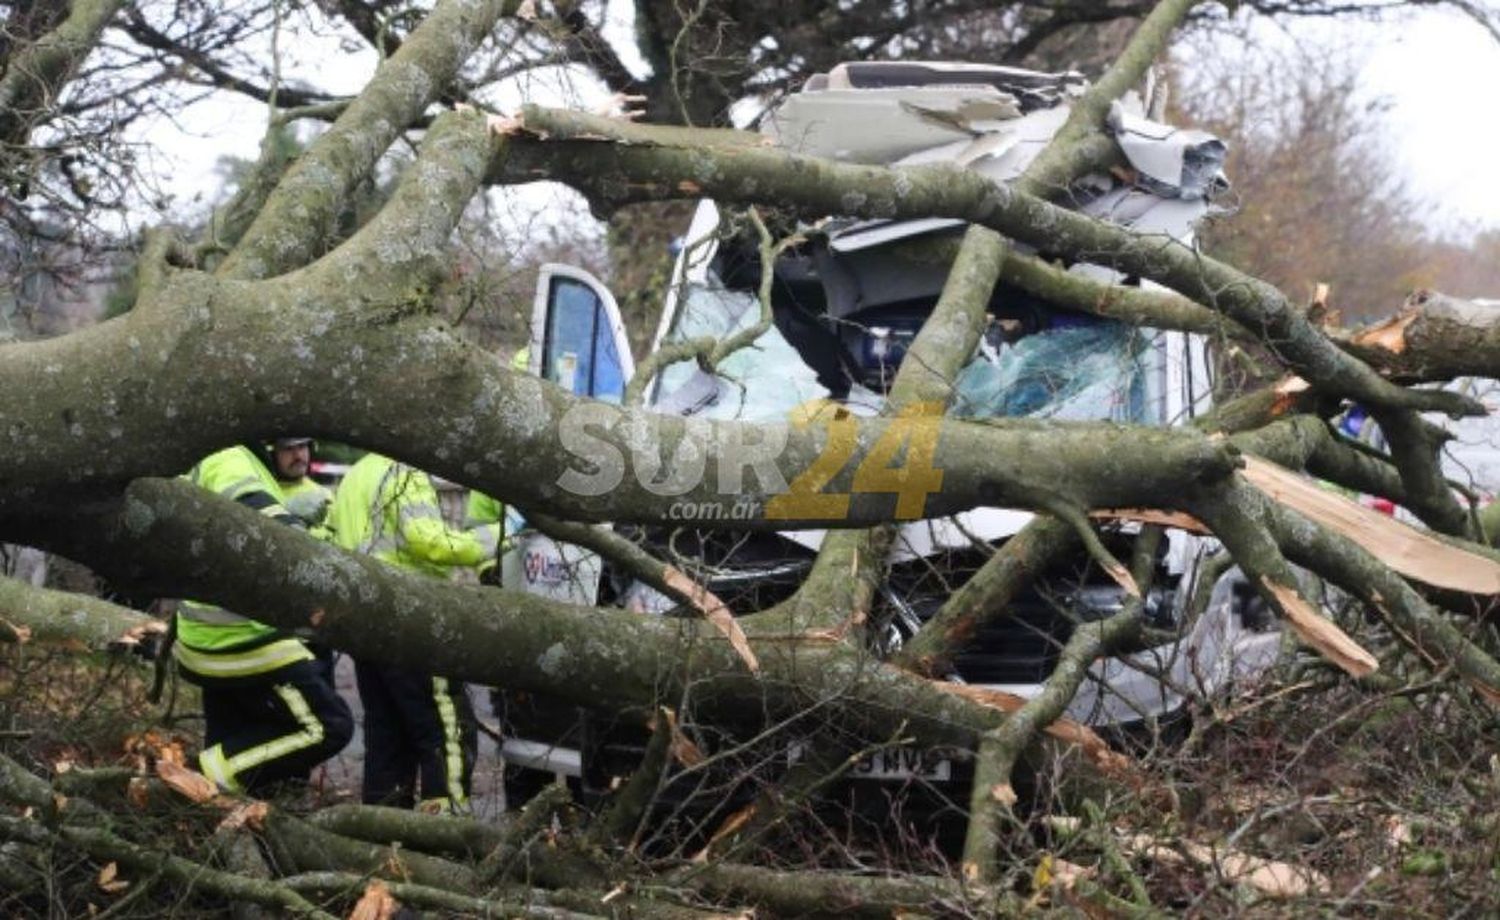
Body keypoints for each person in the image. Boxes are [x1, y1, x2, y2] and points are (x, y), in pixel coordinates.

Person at [325, 453, 500, 813]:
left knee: (387, 739)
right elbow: (428, 541)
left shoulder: (356, 474)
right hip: (411, 623)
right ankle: (445, 836)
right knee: (445, 732)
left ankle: (385, 835)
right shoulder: (404, 471)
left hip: (365, 624)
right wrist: (494, 539)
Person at [176, 445, 354, 795]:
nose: (296, 453)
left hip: (213, 637)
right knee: (328, 727)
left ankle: (221, 817)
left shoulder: (208, 457)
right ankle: (200, 779)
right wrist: (300, 535)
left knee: (240, 741)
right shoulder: (231, 459)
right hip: (243, 637)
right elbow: (267, 524)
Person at [265, 437, 333, 530]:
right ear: (273, 455)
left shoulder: (326, 494)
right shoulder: (263, 493)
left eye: (302, 446)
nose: (298, 456)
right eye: (288, 449)